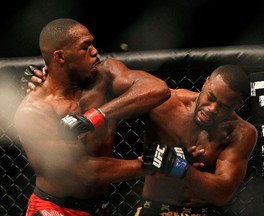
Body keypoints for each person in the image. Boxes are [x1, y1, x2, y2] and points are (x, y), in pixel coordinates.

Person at [25, 63, 258, 215]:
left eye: (224, 106)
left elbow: (222, 193)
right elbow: (102, 82)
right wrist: (51, 79)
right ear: (206, 82)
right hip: (153, 209)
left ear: (238, 105)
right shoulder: (166, 104)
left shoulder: (241, 132)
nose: (212, 108)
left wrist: (179, 169)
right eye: (211, 97)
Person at [14, 18, 173, 216]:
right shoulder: (34, 112)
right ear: (60, 57)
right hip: (55, 208)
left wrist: (97, 116)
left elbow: (159, 89)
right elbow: (82, 171)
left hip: (100, 208)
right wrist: (147, 166)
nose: (95, 51)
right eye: (85, 47)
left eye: (92, 43)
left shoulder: (104, 76)